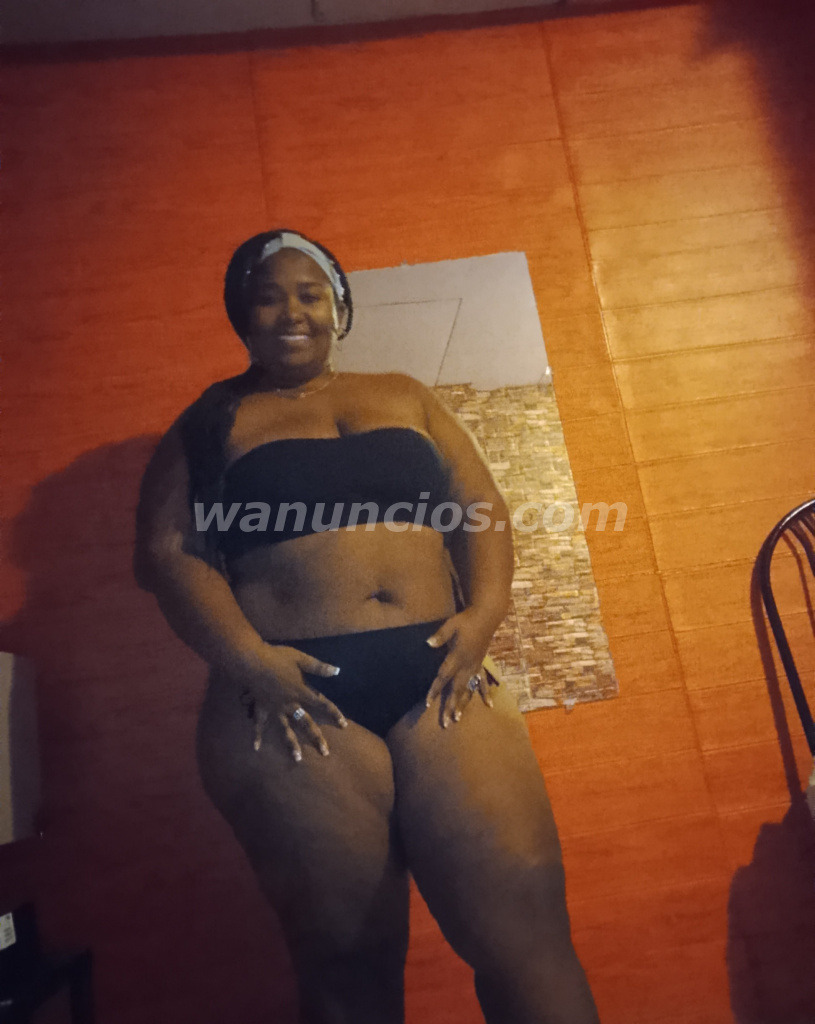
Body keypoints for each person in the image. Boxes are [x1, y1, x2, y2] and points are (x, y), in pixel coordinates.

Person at [134, 229, 600, 1024]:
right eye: (267, 297)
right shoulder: (213, 418)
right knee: (348, 964)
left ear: (338, 306)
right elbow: (167, 553)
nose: (292, 312)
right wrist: (246, 658)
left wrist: (484, 615)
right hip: (294, 695)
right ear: (241, 316)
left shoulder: (404, 394)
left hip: (441, 673)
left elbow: (478, 506)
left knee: (527, 935)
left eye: (309, 293)